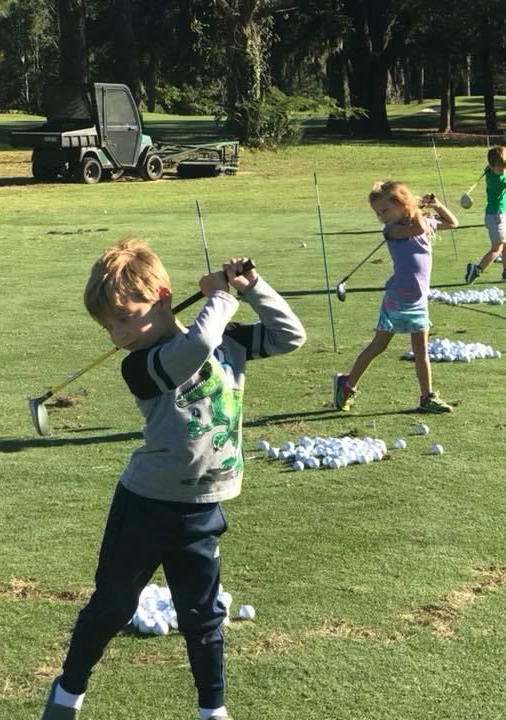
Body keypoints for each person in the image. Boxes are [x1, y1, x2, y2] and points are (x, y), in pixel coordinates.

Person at [40, 240, 306, 720]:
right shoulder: (139, 366)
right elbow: (195, 348)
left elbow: (290, 336)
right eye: (108, 325)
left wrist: (251, 287)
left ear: (162, 296)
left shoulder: (228, 341)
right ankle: (66, 695)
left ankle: (213, 711)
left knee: (203, 618)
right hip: (145, 505)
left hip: (204, 506)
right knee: (112, 607)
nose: (117, 334)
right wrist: (219, 299)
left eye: (125, 317)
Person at [333, 180, 458, 415]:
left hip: (418, 301)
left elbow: (453, 223)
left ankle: (427, 397)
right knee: (379, 345)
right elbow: (418, 229)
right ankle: (347, 384)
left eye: (385, 210)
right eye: (378, 213)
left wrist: (437, 205)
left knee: (421, 352)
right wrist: (417, 209)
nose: (381, 216)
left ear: (401, 204)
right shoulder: (391, 231)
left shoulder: (422, 222)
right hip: (397, 299)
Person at [464, 145, 506, 284]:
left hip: (497, 216)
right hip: (497, 218)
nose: (503, 171)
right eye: (500, 168)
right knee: (497, 248)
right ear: (492, 166)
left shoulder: (489, 172)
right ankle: (477, 269)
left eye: (504, 167)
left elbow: (493, 169)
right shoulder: (500, 180)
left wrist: (499, 166)